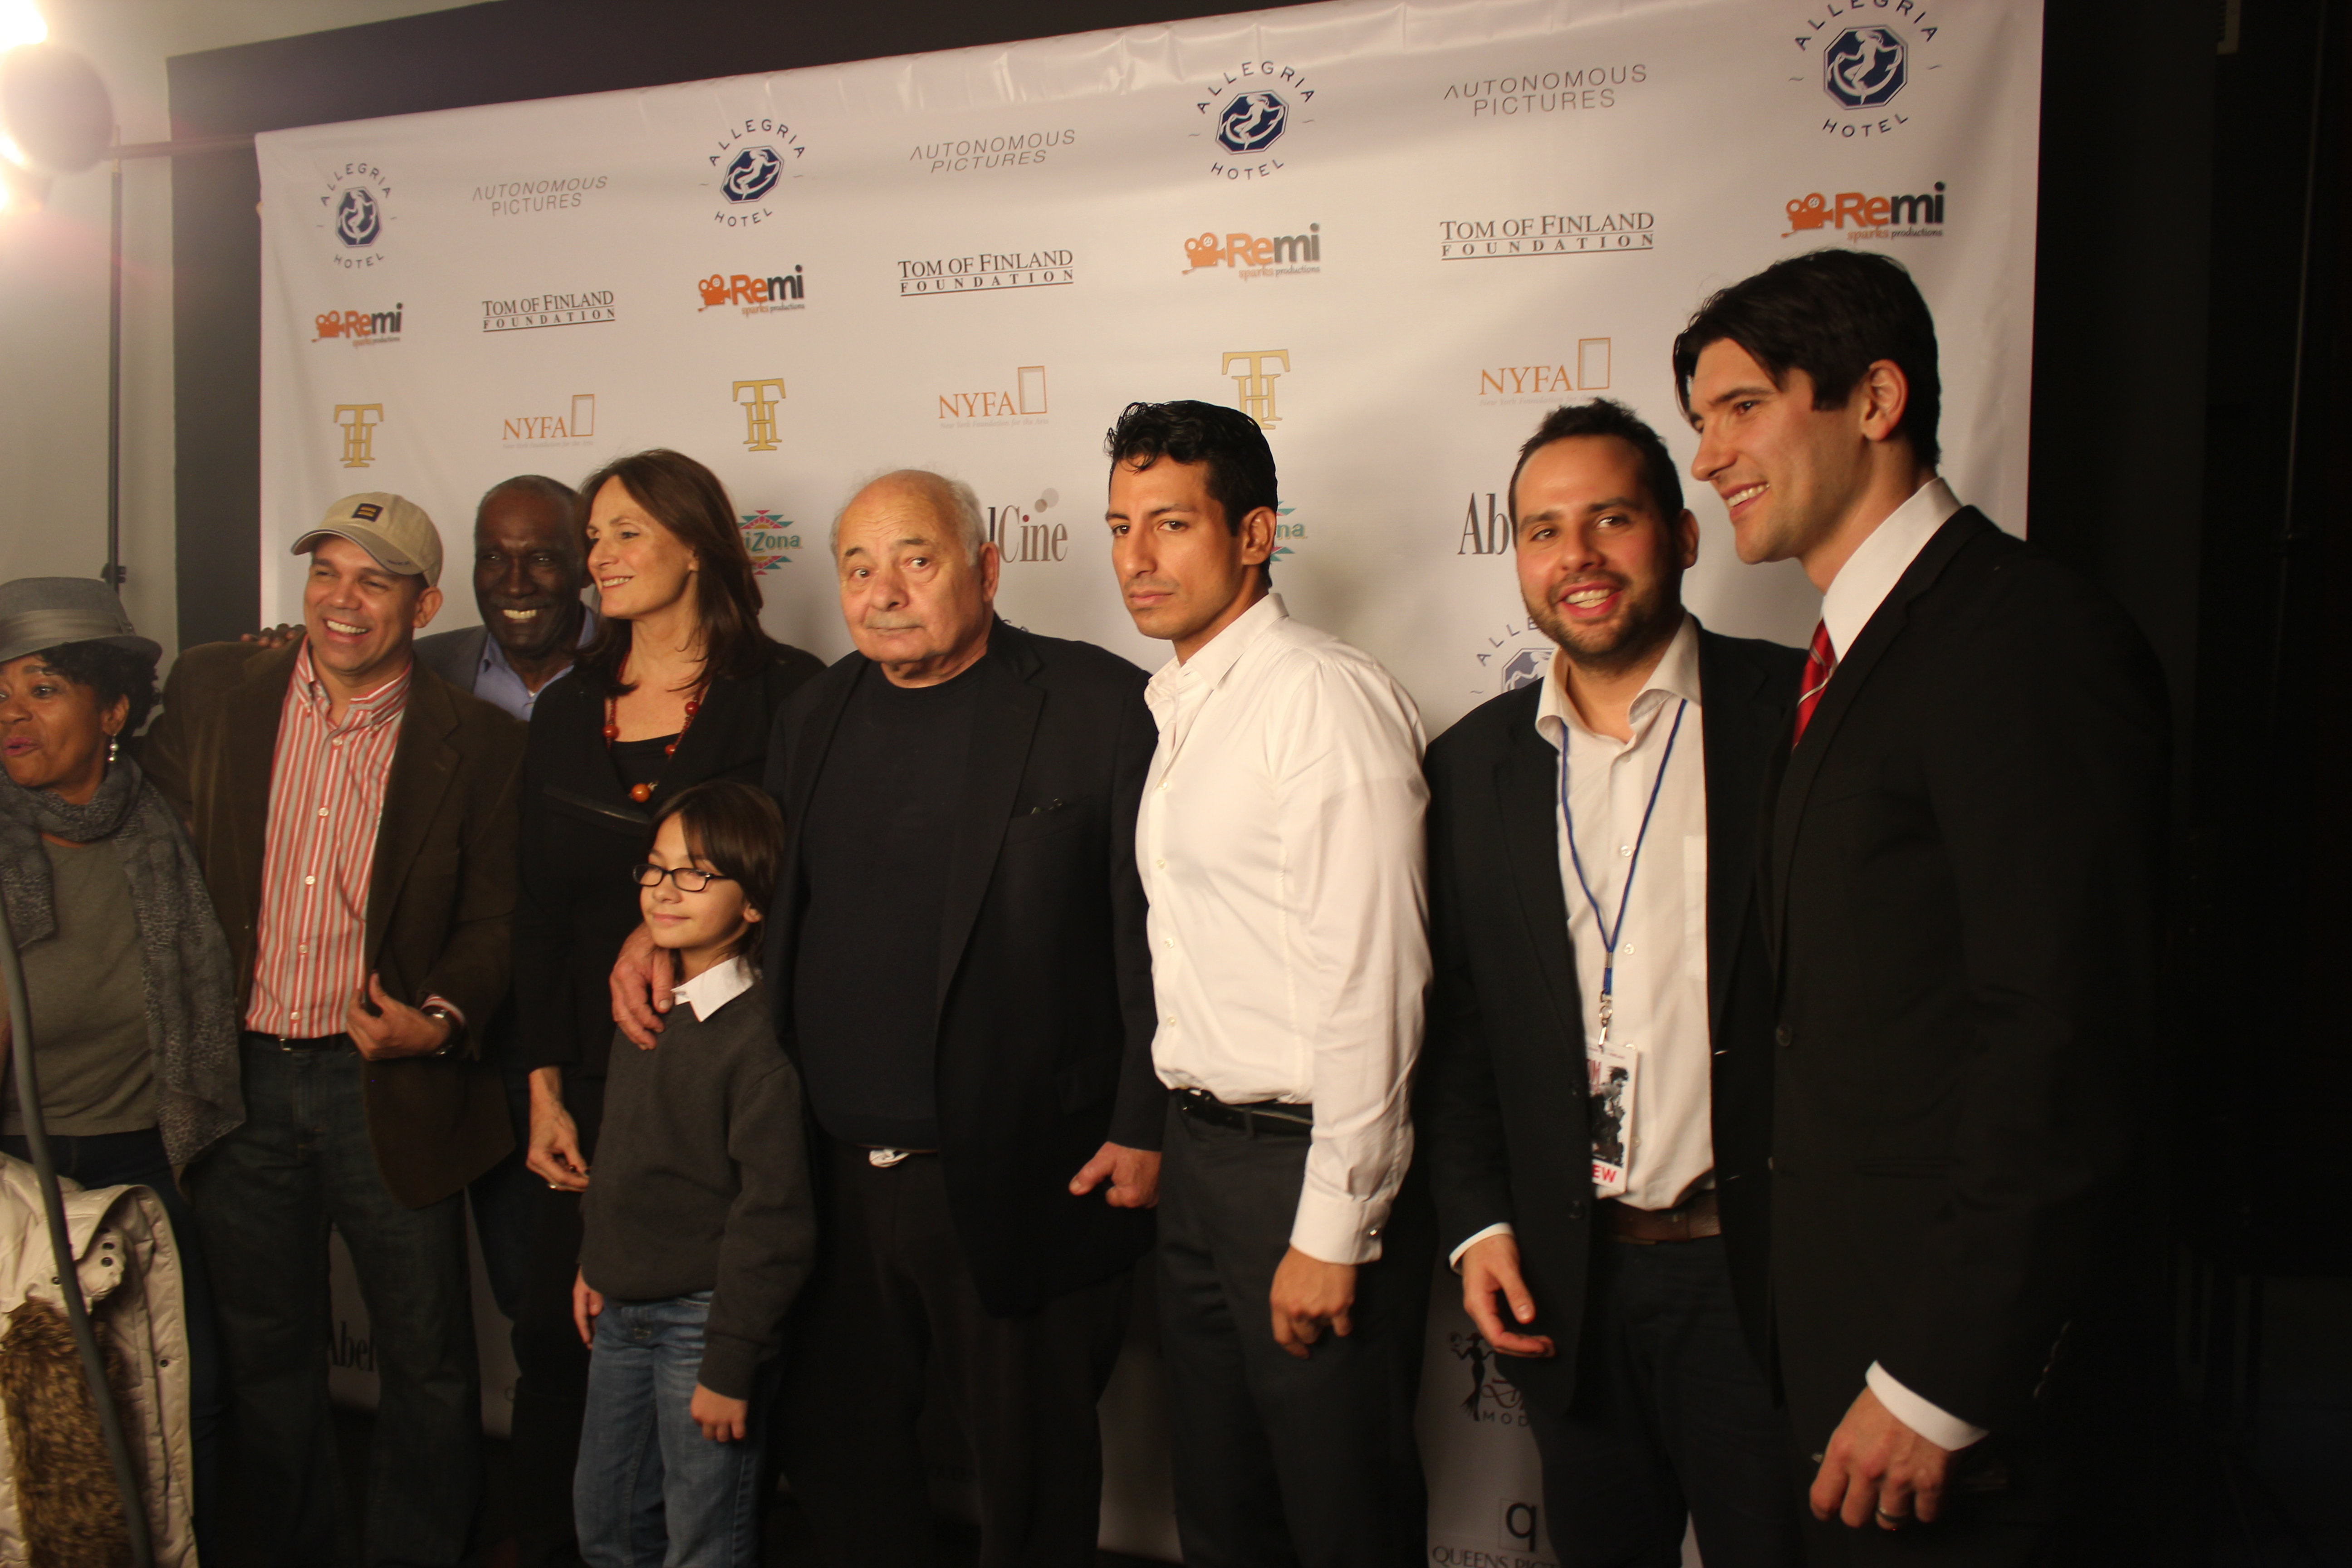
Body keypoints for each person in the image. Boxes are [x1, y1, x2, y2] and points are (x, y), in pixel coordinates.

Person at [1675, 249, 2168, 1560]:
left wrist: (1942, 1381)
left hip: (1952, 1403)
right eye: (1699, 424)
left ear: (1875, 398)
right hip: (1840, 1358)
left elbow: (2064, 1037)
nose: (1709, 455)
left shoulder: (2022, 639)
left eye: (1739, 408)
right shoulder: (1847, 659)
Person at [611, 468, 1165, 1567]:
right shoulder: (816, 714)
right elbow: (758, 893)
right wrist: (654, 932)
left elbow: (1155, 930)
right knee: (846, 1466)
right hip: (827, 1178)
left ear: (987, 568)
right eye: (856, 568)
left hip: (1019, 1174)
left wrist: (1144, 1119)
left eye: (916, 559)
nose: (882, 591)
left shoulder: (1100, 704)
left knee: (1031, 1487)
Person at [1418, 401, 1805, 1567]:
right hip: (1564, 1281)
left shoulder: (1797, 718)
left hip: (1760, 1278)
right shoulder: (1473, 764)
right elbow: (1459, 1031)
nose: (1575, 557)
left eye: (1611, 520)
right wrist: (1480, 1224)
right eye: (1543, 530)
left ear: (1683, 537)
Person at [142, 493, 525, 1568]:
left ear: (425, 604)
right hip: (243, 1080)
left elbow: (501, 918)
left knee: (428, 1358)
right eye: (328, 574)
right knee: (266, 1360)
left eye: (375, 580)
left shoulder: (480, 745)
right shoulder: (218, 690)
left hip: (386, 1089)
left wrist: (441, 1018)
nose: (342, 601)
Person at [1103, 400, 1432, 1567]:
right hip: (1202, 1166)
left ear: (1253, 535)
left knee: (1342, 1517)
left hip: (1300, 1167)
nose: (1136, 560)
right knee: (1225, 1518)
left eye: (1171, 525)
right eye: (1119, 527)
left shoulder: (1317, 697)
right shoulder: (1184, 704)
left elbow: (1375, 980)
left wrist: (1335, 1225)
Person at [512, 449, 821, 1565]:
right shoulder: (566, 710)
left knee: (714, 1364)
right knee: (567, 1345)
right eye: (595, 536)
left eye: (627, 531)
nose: (600, 556)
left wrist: (661, 928)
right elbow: (537, 916)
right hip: (592, 1079)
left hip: (723, 1073)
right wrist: (544, 1085)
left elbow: (804, 886)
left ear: (699, 544)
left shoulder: (787, 694)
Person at [0, 577, 243, 1556]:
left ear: (110, 711)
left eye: (44, 689)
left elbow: (232, 693)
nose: (12, 714)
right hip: (22, 1175)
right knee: (44, 1429)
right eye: (0, 692)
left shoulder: (173, 817)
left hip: (156, 1160)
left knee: (189, 1404)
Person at [573, 780, 814, 1568]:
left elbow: (773, 1217)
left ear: (753, 904)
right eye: (655, 868)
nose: (666, 890)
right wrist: (596, 1259)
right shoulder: (647, 1004)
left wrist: (730, 1361)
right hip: (621, 1316)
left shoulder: (757, 1041)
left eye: (698, 873)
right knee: (607, 1528)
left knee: (703, 1543)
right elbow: (629, 1157)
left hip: (702, 1327)